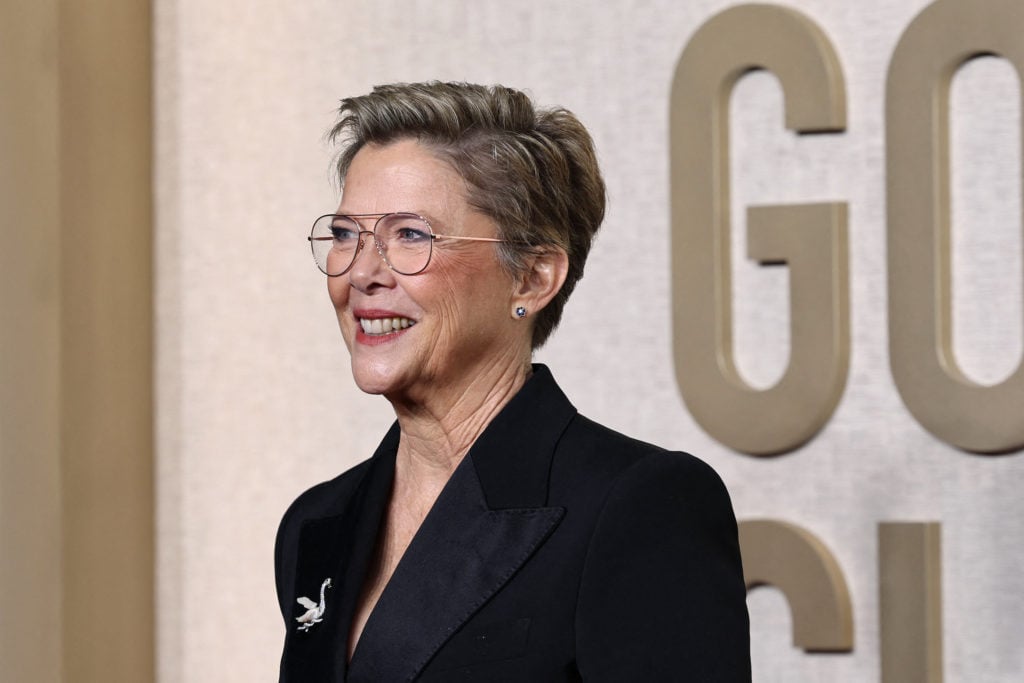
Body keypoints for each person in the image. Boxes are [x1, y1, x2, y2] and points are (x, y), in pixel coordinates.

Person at [275, 81, 750, 682]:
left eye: (410, 235)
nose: (363, 272)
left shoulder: (638, 505)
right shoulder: (317, 522)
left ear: (532, 277)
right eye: (346, 234)